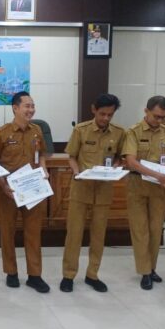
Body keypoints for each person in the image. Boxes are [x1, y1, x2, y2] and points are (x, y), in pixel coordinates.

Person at [60, 94, 125, 293]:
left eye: (110, 115)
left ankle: (92, 274)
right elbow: (71, 156)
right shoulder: (81, 130)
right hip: (81, 188)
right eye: (102, 113)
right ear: (94, 110)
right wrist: (76, 173)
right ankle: (68, 275)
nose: (106, 118)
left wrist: (116, 167)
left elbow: (120, 158)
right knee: (74, 234)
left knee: (98, 235)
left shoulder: (119, 132)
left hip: (104, 190)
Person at [0, 91, 51, 293]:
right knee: (8, 232)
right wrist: (3, 185)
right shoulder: (1, 133)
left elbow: (42, 155)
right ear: (15, 108)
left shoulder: (37, 130)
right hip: (9, 190)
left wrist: (44, 169)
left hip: (33, 189)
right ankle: (11, 273)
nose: (31, 110)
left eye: (33, 106)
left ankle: (35, 275)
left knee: (34, 233)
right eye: (27, 106)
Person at [122, 95, 165, 290]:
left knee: (156, 230)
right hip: (137, 185)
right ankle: (144, 271)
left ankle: (152, 267)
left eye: (163, 117)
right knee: (140, 230)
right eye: (156, 116)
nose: (159, 120)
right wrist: (158, 175)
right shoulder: (133, 132)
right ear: (146, 111)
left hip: (159, 188)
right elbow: (131, 162)